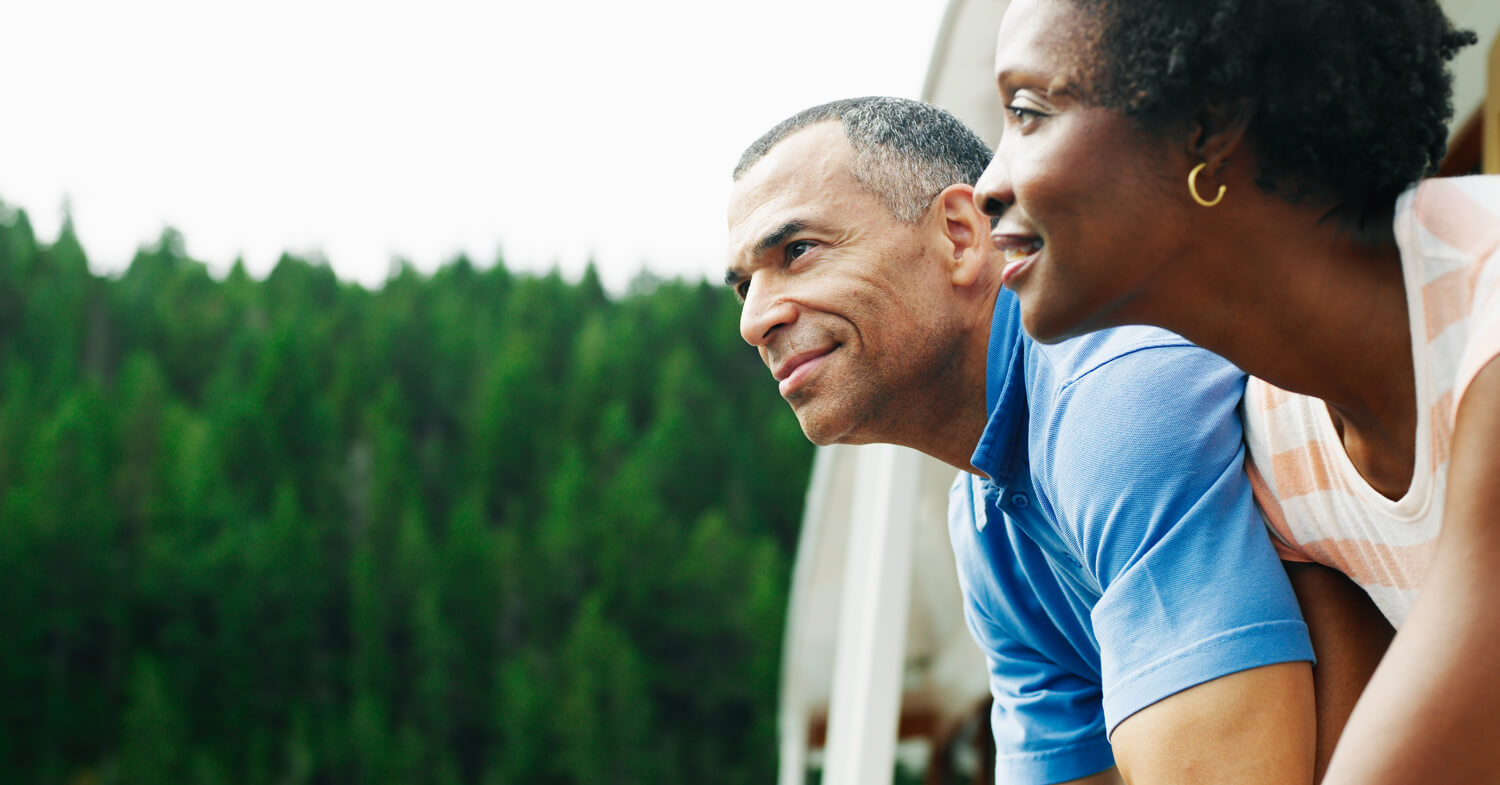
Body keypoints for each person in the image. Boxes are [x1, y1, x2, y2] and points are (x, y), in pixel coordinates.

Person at [726, 97, 1354, 785]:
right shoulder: (985, 525)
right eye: (743, 287)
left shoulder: (1107, 392)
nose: (755, 320)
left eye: (797, 251)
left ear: (961, 234)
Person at [971, 1, 1495, 783]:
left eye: (1029, 113)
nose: (986, 186)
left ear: (1209, 127)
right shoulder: (1278, 449)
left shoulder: (1487, 310)